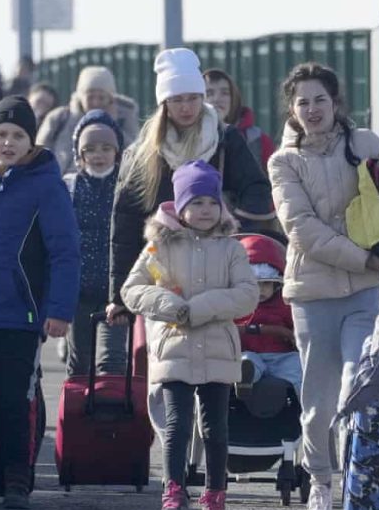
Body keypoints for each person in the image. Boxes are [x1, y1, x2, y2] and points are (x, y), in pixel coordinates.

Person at [267, 62, 379, 510]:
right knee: (317, 399)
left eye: (320, 100)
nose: (312, 110)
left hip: (365, 291)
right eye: (302, 103)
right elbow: (303, 231)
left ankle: (361, 482)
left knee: (361, 381)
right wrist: (367, 259)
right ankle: (320, 482)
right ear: (292, 111)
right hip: (313, 293)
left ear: (336, 103)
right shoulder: (283, 162)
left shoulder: (365, 143)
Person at [0, 96, 79, 510]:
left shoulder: (47, 185)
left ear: (31, 141)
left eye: (17, 135)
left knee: (14, 400)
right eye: (1, 134)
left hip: (21, 313)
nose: (8, 142)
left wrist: (59, 310)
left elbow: (65, 251)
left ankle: (16, 478)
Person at [121, 160, 258, 510]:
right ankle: (173, 492)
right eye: (196, 202)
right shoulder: (159, 247)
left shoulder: (231, 249)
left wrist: (200, 308)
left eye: (212, 203)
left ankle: (215, 497)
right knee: (177, 424)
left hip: (216, 348)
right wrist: (168, 305)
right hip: (174, 347)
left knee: (216, 428)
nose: (205, 211)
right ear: (180, 206)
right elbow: (132, 289)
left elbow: (247, 293)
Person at [107, 48, 273, 328]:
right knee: (166, 361)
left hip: (216, 271)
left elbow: (257, 189)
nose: (186, 107)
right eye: (177, 99)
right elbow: (124, 223)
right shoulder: (144, 154)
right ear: (164, 103)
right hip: (164, 276)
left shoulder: (224, 140)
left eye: (194, 98)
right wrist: (119, 296)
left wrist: (229, 225)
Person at [62, 108, 128, 378]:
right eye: (90, 149)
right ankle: (77, 416)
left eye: (106, 148)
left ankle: (111, 416)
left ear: (117, 152)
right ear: (80, 155)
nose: (98, 155)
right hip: (78, 291)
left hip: (116, 292)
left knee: (112, 361)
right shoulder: (69, 187)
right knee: (79, 361)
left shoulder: (126, 187)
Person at [36, 65, 140, 175]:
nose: (96, 103)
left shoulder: (124, 119)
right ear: (81, 97)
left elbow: (134, 156)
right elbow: (39, 156)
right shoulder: (59, 119)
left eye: (101, 97)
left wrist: (112, 124)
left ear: (110, 98)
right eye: (90, 97)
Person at [234, 233, 301, 396]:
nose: (261, 290)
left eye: (266, 284)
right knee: (245, 361)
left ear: (276, 285)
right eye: (255, 285)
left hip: (281, 355)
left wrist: (294, 336)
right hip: (248, 352)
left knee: (298, 367)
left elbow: (296, 327)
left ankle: (309, 409)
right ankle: (244, 379)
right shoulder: (235, 306)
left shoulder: (284, 305)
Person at [204, 69, 275, 170]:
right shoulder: (187, 137)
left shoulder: (258, 140)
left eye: (225, 93)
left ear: (234, 98)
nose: (216, 99)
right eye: (209, 93)